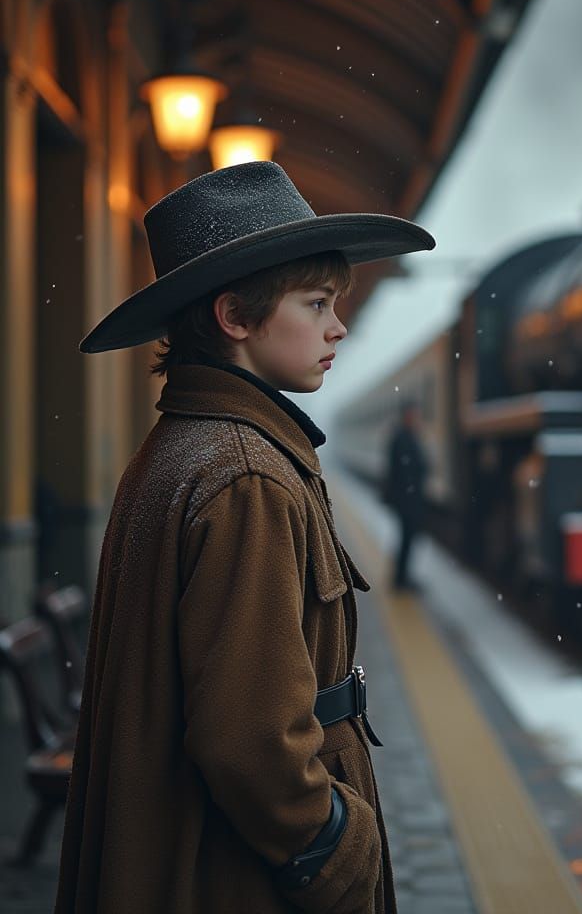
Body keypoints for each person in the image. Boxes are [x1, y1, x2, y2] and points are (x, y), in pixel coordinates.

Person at [56, 161, 433, 913]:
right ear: (235, 317)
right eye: (317, 303)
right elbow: (248, 739)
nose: (338, 327)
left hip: (180, 854)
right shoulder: (247, 475)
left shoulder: (183, 446)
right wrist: (336, 848)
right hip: (235, 877)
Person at [383, 402, 429, 591]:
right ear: (407, 416)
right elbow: (405, 471)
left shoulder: (404, 436)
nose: (417, 419)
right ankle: (400, 580)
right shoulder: (403, 438)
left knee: (406, 538)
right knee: (406, 538)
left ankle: (402, 577)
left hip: (407, 497)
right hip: (406, 499)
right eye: (414, 415)